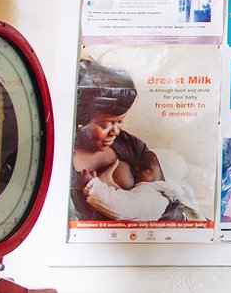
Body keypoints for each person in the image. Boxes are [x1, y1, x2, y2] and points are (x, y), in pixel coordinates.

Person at [71, 59, 181, 221]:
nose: (115, 131)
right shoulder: (63, 160)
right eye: (104, 125)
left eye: (119, 121)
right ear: (82, 120)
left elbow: (158, 201)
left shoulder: (129, 145)